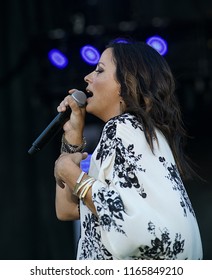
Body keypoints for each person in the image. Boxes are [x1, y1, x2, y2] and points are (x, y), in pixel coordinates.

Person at [54, 39, 203, 260]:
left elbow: (130, 230)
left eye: (100, 70)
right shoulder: (143, 135)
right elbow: (67, 210)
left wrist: (75, 176)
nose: (88, 77)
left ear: (128, 84)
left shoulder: (122, 128)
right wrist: (72, 139)